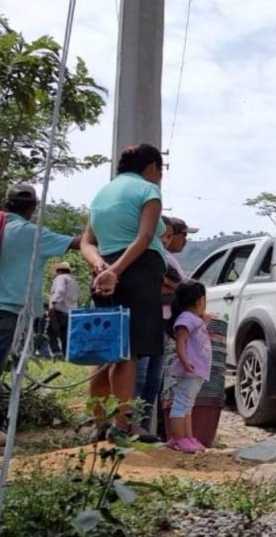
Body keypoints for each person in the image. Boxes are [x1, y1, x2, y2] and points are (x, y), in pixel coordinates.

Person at [80, 144, 166, 440]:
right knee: (127, 352)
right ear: (153, 167)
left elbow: (86, 242)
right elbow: (144, 237)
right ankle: (122, 424)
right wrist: (116, 271)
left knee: (107, 348)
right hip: (137, 272)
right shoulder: (148, 191)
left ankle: (99, 421)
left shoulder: (102, 194)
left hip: (102, 273)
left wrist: (101, 266)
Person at [0, 183, 80, 369]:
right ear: (34, 206)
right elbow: (77, 243)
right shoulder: (33, 233)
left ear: (6, 203)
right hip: (9, 309)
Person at [135, 215, 195, 435]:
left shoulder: (165, 257)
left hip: (160, 323)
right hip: (147, 322)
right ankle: (134, 425)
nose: (168, 240)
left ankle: (143, 428)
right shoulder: (152, 256)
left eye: (170, 236)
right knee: (141, 377)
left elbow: (174, 285)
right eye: (166, 235)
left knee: (153, 378)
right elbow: (168, 283)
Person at [166, 280, 212, 454]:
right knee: (182, 402)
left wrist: (203, 322)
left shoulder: (193, 319)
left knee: (188, 404)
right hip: (190, 369)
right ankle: (178, 438)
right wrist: (185, 360)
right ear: (200, 300)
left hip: (196, 370)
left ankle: (187, 436)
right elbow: (181, 341)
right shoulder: (186, 319)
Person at [47, 261, 79, 358]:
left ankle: (56, 352)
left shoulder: (60, 278)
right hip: (71, 311)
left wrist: (53, 303)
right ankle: (67, 355)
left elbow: (60, 291)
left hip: (60, 310)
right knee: (66, 335)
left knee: (49, 331)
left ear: (59, 271)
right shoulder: (73, 281)